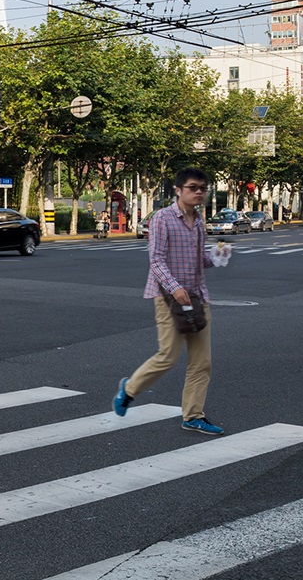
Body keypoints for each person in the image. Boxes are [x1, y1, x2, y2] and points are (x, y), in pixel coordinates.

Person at [113, 166, 227, 435]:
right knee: (168, 356)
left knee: (202, 362)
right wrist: (175, 287)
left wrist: (217, 258)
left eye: (202, 189)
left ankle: (193, 415)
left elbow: (200, 261)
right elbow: (156, 259)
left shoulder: (199, 221)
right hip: (168, 298)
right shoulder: (163, 218)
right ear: (178, 190)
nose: (199, 193)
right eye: (193, 188)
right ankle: (129, 389)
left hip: (197, 298)